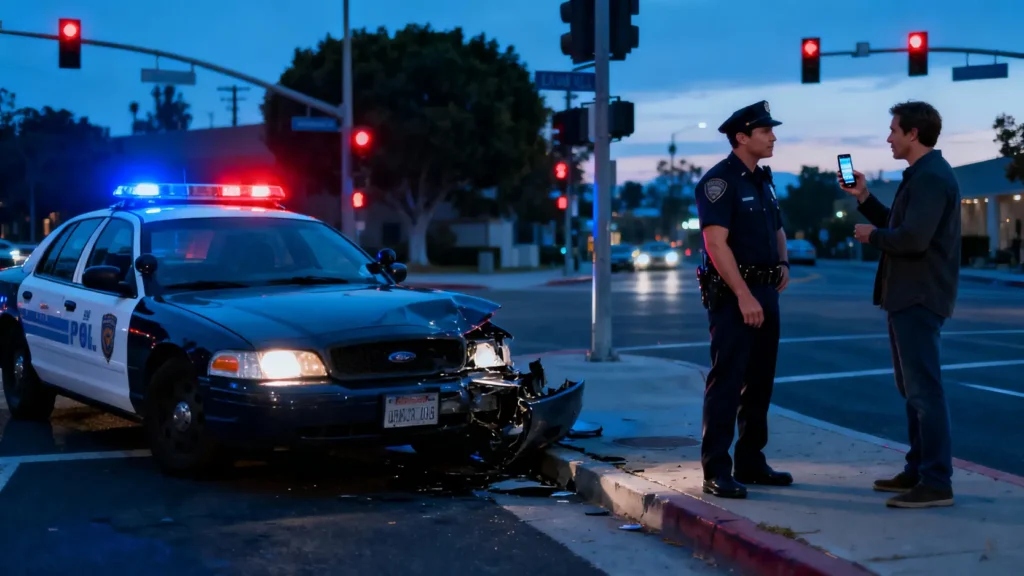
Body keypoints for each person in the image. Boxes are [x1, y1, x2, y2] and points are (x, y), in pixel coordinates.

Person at [843, 100, 961, 509]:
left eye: (893, 129)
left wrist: (870, 236)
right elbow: (900, 224)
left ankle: (936, 482)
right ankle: (917, 468)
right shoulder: (921, 176)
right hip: (906, 294)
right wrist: (865, 197)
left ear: (913, 133)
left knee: (925, 390)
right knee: (912, 389)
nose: (888, 137)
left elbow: (911, 240)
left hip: (920, 295)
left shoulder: (931, 178)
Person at [694, 101, 793, 499]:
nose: (773, 137)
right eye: (765, 131)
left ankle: (751, 460)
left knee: (760, 382)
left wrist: (783, 262)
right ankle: (716, 469)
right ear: (741, 137)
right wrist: (743, 295)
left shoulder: (763, 180)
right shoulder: (719, 182)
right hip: (737, 296)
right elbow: (715, 244)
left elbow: (779, 228)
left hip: (766, 292)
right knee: (728, 381)